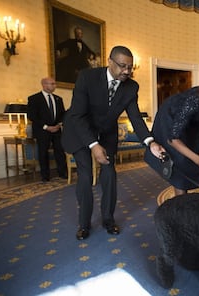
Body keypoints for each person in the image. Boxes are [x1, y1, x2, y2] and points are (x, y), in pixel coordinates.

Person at [61, 45, 165, 240]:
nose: (127, 71)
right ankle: (84, 224)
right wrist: (93, 145)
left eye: (130, 67)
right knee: (84, 175)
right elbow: (77, 115)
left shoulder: (131, 86)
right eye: (122, 66)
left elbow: (135, 118)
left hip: (106, 132)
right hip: (79, 130)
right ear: (109, 62)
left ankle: (108, 219)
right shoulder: (87, 77)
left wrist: (150, 142)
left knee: (109, 173)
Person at [27, 77, 68, 182]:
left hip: (57, 129)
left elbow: (62, 114)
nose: (55, 86)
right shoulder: (34, 98)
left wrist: (58, 125)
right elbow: (32, 116)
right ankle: (45, 176)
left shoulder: (58, 99)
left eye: (55, 84)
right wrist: (46, 127)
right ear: (44, 85)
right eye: (52, 84)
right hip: (42, 130)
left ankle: (62, 173)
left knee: (59, 152)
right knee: (43, 153)